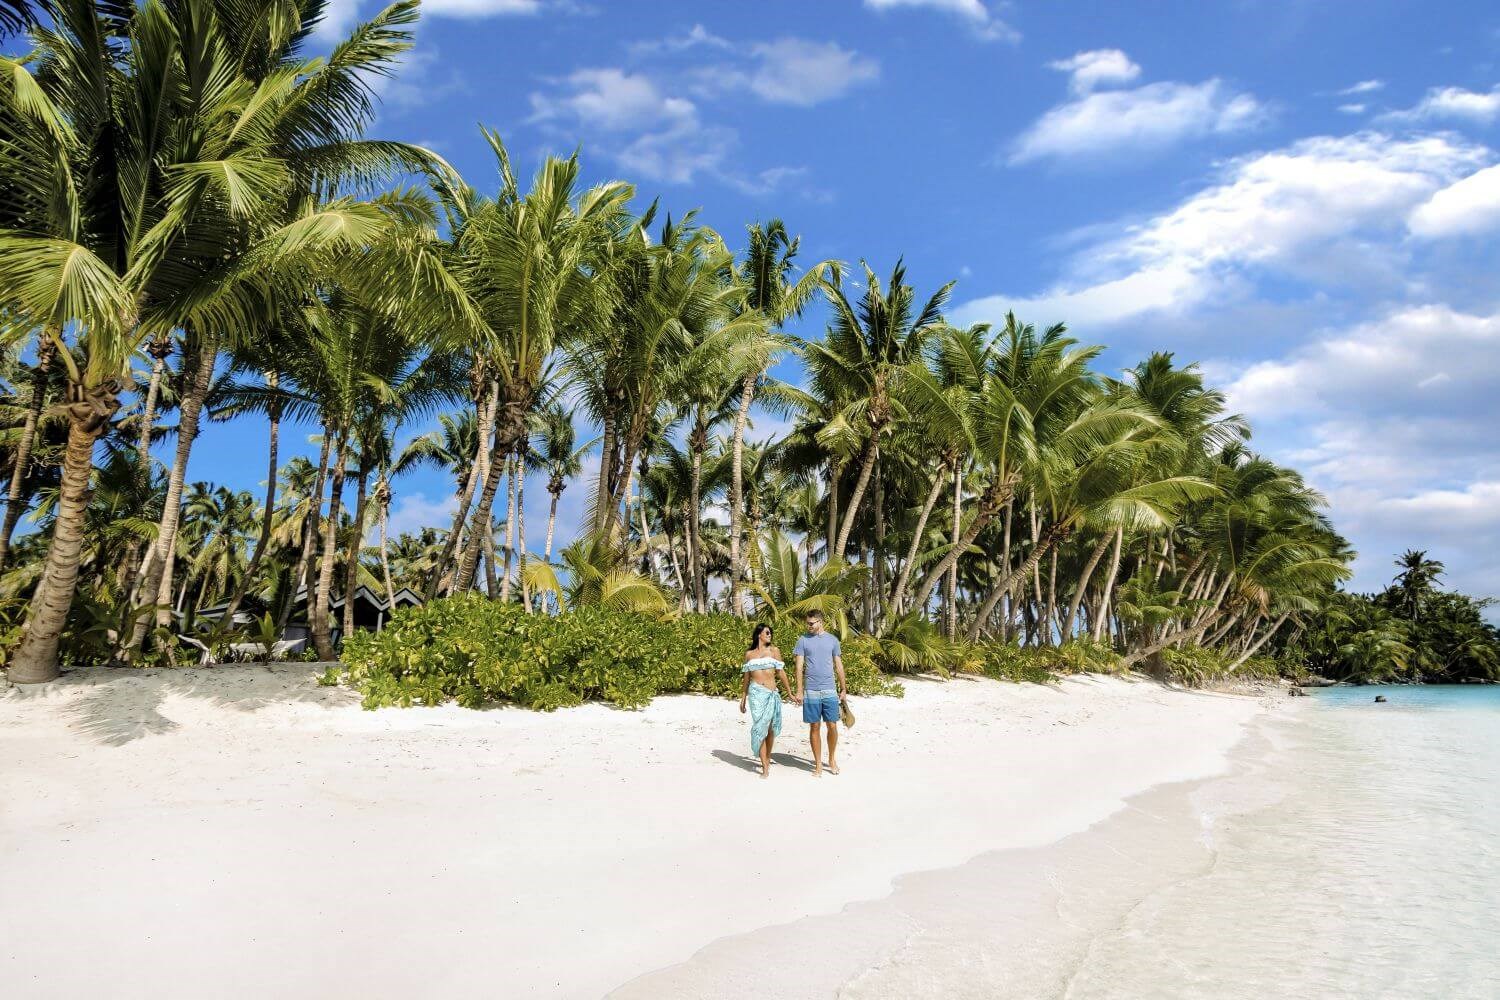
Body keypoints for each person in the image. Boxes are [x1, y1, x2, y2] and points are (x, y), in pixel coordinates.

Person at [793, 610, 846, 776]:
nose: (808, 626)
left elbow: (838, 665)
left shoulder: (833, 640)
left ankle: (831, 759)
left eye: (811, 623)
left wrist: (843, 688)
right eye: (807, 623)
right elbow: (799, 667)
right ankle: (818, 764)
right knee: (814, 726)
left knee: (832, 725)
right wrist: (799, 690)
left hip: (830, 689)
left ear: (820, 622)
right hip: (811, 690)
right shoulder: (802, 640)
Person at [740, 623, 795, 778]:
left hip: (771, 693)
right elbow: (746, 678)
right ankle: (765, 766)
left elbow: (781, 673)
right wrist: (743, 698)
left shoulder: (774, 651)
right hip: (756, 694)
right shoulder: (749, 654)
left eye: (770, 632)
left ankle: (767, 756)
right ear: (759, 635)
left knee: (770, 729)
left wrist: (789, 693)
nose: (770, 635)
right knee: (760, 728)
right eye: (767, 632)